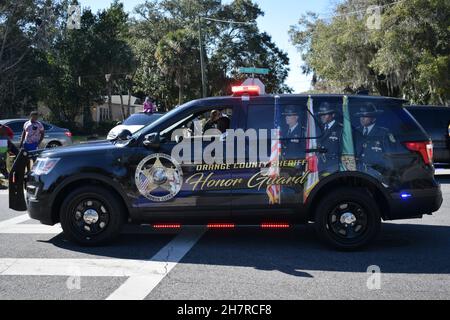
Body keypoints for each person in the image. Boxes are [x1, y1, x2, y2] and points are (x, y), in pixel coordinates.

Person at [354, 103, 396, 171]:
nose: (362, 118)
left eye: (366, 116)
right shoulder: (356, 131)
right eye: (361, 116)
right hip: (358, 171)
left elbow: (390, 156)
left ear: (373, 118)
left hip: (376, 172)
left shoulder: (384, 133)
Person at [316, 102, 343, 174]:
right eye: (321, 114)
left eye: (325, 114)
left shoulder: (340, 129)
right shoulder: (318, 128)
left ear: (333, 115)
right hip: (319, 166)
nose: (322, 116)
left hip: (334, 167)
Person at [0, 123, 18, 189]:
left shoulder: (5, 131)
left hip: (3, 145)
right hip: (3, 146)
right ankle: (6, 175)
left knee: (2, 161)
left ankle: (7, 176)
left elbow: (11, 135)